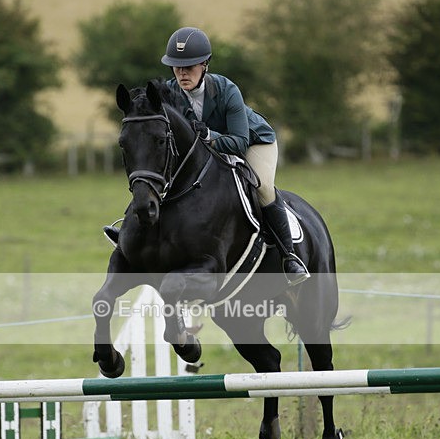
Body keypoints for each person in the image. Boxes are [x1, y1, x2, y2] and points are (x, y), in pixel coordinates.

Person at [105, 26, 309, 286]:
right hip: (207, 146)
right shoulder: (169, 92)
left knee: (263, 188)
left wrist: (209, 136)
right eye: (177, 67)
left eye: (189, 66)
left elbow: (238, 142)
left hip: (252, 142)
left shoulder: (226, 90)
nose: (182, 73)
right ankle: (131, 232)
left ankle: (289, 255)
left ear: (204, 65)